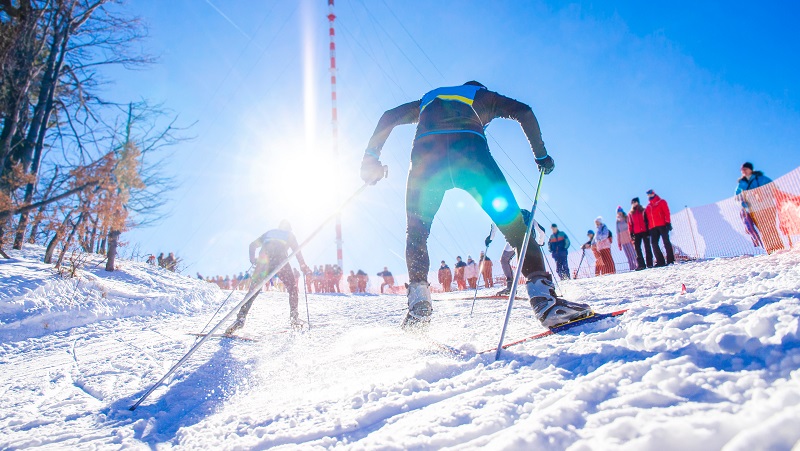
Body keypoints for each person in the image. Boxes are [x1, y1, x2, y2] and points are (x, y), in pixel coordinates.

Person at [360, 81, 591, 328]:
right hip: (471, 157)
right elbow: (524, 111)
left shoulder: (429, 98)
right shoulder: (482, 95)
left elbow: (389, 117)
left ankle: (419, 306)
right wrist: (541, 155)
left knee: (417, 233)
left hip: (427, 162)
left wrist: (370, 158)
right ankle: (544, 302)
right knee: (515, 227)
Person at [225, 220, 310, 334]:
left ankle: (240, 319)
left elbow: (252, 245)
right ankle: (294, 319)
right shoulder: (289, 235)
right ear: (289, 228)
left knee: (252, 291)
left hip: (263, 261)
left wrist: (252, 259)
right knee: (292, 288)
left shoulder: (269, 232)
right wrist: (303, 265)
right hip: (280, 261)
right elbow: (297, 251)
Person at [736, 162, 783, 254]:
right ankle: (770, 249)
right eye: (742, 170)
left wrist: (762, 194)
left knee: (770, 227)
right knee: (762, 229)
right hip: (753, 209)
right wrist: (743, 203)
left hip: (767, 206)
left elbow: (774, 189)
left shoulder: (762, 179)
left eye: (745, 169)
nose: (743, 171)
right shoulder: (741, 183)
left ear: (750, 169)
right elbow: (737, 197)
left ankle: (778, 248)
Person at [645, 189, 674, 266]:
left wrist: (668, 222)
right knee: (654, 243)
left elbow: (666, 212)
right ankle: (660, 261)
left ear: (654, 194)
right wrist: (648, 228)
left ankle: (670, 260)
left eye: (651, 194)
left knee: (666, 242)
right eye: (648, 195)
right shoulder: (648, 207)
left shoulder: (661, 202)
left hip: (662, 224)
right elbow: (647, 218)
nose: (649, 196)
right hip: (653, 227)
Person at [628, 197, 653, 270]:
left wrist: (649, 229)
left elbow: (648, 219)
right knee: (637, 248)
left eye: (635, 202)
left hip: (645, 230)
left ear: (638, 202)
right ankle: (641, 264)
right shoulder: (631, 213)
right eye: (632, 203)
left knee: (647, 246)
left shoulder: (643, 210)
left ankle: (650, 263)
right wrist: (631, 233)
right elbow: (630, 224)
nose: (634, 204)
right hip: (636, 232)